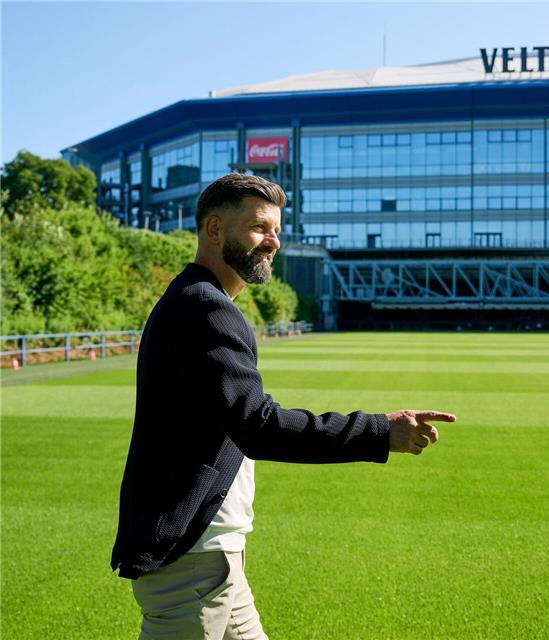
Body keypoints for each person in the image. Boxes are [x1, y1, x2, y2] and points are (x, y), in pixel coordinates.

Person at [111, 173, 456, 639]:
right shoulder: (204, 307)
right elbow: (259, 425)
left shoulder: (199, 300)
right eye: (259, 227)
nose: (272, 241)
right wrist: (379, 430)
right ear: (214, 230)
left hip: (216, 558)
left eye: (275, 229)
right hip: (192, 562)